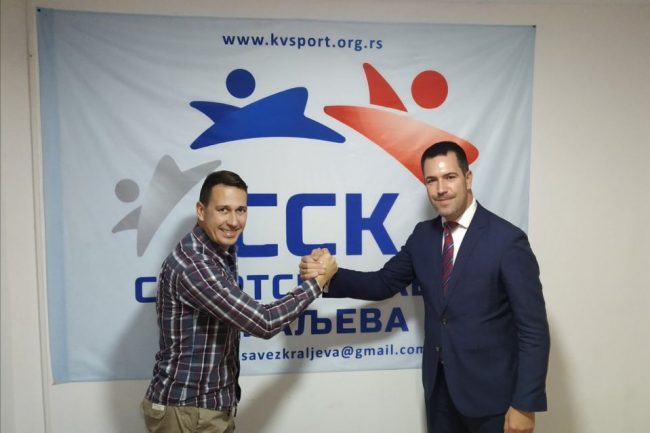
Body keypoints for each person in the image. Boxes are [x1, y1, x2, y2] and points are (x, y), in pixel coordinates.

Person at [301, 141, 550, 433]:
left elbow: (533, 330)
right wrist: (327, 275)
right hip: (440, 393)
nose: (440, 188)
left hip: (495, 400)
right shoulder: (423, 236)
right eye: (431, 180)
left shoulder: (507, 240)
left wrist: (525, 404)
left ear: (468, 178)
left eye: (449, 177)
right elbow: (383, 283)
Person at [142, 170, 337, 433]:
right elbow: (264, 322)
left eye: (240, 210)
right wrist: (317, 283)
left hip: (202, 409)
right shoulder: (194, 265)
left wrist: (313, 275)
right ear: (201, 211)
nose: (233, 221)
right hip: (187, 412)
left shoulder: (218, 251)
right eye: (223, 210)